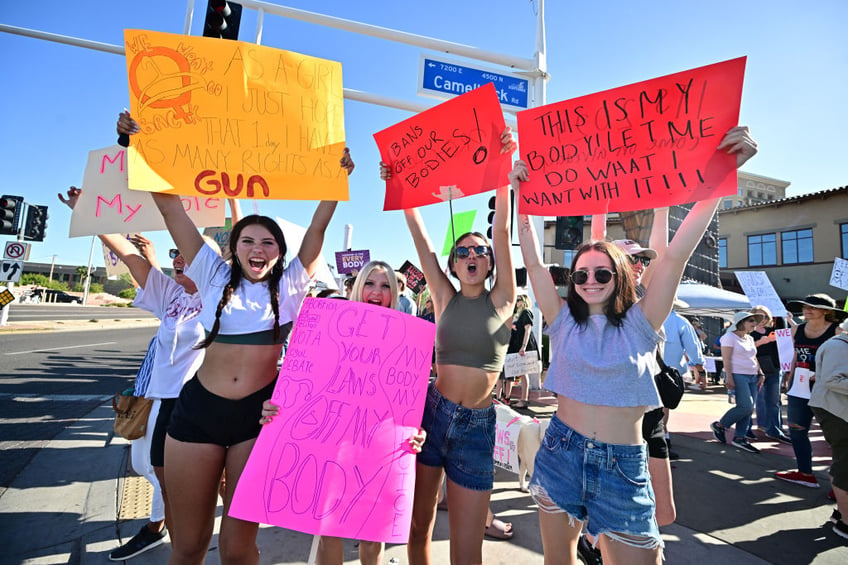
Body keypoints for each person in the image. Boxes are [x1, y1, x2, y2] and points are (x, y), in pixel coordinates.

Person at [119, 108, 355, 564]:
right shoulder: (209, 270)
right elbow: (171, 206)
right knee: (187, 547)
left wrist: (335, 177)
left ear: (280, 253)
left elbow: (319, 228)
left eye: (268, 243)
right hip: (196, 414)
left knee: (237, 548)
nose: (258, 249)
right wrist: (139, 143)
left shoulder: (289, 287)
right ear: (234, 247)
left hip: (257, 421)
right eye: (248, 241)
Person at [517, 125, 757, 565]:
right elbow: (531, 260)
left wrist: (724, 175)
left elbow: (676, 254)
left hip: (623, 466)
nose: (590, 281)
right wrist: (520, 197)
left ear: (620, 278)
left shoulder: (643, 322)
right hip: (560, 454)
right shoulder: (562, 319)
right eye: (582, 274)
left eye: (603, 274)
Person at [60, 186, 233, 560]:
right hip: (162, 406)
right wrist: (90, 212)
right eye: (178, 254)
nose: (181, 258)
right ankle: (179, 549)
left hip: (200, 406)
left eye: (191, 254)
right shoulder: (169, 296)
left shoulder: (222, 302)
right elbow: (128, 255)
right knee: (165, 483)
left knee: (219, 487)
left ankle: (236, 544)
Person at [380, 128, 518, 565]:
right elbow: (420, 237)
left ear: (491, 260)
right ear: (453, 264)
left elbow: (502, 228)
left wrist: (503, 168)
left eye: (479, 250)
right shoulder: (443, 296)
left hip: (478, 427)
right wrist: (397, 184)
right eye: (462, 252)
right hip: (432, 416)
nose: (472, 255)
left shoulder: (504, 298)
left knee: (466, 543)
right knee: (418, 527)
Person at [262, 260, 425, 565]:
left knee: (372, 529)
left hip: (379, 443)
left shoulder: (407, 338)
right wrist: (279, 405)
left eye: (386, 285)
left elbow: (408, 399)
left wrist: (416, 432)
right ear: (357, 287)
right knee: (329, 526)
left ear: (396, 292)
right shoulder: (331, 325)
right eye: (370, 283)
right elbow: (307, 379)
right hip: (333, 440)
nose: (377, 292)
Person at [776, 294, 846, 488]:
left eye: (813, 307)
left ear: (827, 311)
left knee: (836, 436)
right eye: (805, 306)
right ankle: (805, 473)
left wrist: (821, 375)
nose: (807, 310)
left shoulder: (838, 331)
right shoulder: (796, 329)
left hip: (828, 388)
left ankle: (841, 486)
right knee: (797, 428)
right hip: (799, 386)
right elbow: (797, 354)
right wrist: (789, 377)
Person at [809, 318, 848, 540]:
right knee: (844, 465)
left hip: (837, 410)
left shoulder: (839, 345)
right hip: (836, 411)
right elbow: (834, 380)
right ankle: (845, 522)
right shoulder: (838, 347)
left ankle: (842, 514)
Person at [710, 311, 765, 453]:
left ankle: (740, 437)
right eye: (751, 321)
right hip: (738, 374)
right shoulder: (729, 337)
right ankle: (721, 425)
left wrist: (760, 372)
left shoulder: (750, 338)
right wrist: (729, 376)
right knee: (745, 406)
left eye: (755, 321)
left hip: (752, 374)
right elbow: (726, 359)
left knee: (748, 408)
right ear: (741, 322)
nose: (754, 324)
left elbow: (753, 357)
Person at [748, 305, 792, 443]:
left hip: (774, 369)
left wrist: (788, 320)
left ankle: (774, 429)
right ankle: (746, 429)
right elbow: (744, 349)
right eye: (759, 316)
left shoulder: (774, 330)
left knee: (773, 400)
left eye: (766, 316)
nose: (763, 319)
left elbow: (788, 341)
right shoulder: (749, 332)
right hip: (754, 370)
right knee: (750, 402)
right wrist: (762, 341)